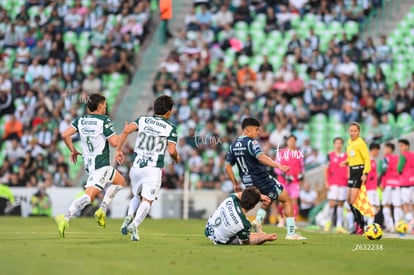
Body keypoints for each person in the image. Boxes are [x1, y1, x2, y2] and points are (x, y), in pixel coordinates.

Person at [55, 93, 125, 238]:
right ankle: (65, 216)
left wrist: (73, 150)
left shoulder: (81, 120)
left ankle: (102, 210)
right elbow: (115, 143)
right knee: (89, 197)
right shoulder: (103, 120)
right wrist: (125, 132)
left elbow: (65, 135)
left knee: (120, 181)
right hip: (100, 164)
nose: (106, 107)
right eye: (105, 105)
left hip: (90, 164)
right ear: (99, 106)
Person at [225, 117, 306, 240]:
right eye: (256, 130)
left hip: (248, 182)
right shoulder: (251, 143)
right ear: (248, 130)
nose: (258, 133)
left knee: (268, 199)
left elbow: (227, 166)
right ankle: (291, 233)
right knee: (286, 199)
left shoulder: (233, 145)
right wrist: (278, 165)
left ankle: (255, 221)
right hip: (261, 178)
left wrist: (235, 183)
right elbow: (261, 157)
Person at [115, 95, 180, 241]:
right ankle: (135, 224)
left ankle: (130, 216)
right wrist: (176, 158)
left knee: (136, 196)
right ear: (169, 112)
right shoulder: (171, 128)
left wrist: (118, 150)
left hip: (136, 166)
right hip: (152, 168)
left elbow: (126, 130)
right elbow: (171, 150)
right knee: (147, 200)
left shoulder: (143, 120)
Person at [205, 187, 277, 245]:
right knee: (260, 235)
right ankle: (262, 235)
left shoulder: (231, 199)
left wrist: (259, 196)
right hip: (219, 240)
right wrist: (265, 237)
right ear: (254, 206)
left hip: (209, 228)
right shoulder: (244, 223)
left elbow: (241, 194)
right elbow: (246, 241)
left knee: (238, 230)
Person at [340, 122, 371, 235]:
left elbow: (366, 159)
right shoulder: (349, 142)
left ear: (359, 132)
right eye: (351, 130)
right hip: (352, 170)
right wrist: (346, 161)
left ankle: (360, 225)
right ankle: (358, 224)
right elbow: (353, 157)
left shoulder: (360, 143)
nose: (353, 132)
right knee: (348, 201)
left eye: (355, 131)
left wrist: (365, 173)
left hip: (359, 171)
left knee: (353, 200)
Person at [275, 135, 305, 222]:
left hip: (294, 181)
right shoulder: (281, 153)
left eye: (294, 141)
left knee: (294, 200)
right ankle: (281, 218)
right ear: (287, 142)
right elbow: (276, 167)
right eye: (290, 140)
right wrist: (284, 175)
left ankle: (293, 220)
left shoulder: (299, 153)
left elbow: (302, 167)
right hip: (283, 180)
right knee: (282, 201)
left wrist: (301, 175)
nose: (292, 142)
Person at [324, 137, 348, 233]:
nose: (338, 145)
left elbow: (348, 169)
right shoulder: (329, 155)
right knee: (332, 203)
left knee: (341, 203)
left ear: (342, 145)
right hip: (333, 182)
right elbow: (325, 168)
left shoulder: (346, 156)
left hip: (343, 182)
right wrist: (326, 181)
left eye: (340, 143)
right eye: (337, 143)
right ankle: (328, 222)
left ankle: (339, 225)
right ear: (334, 144)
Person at [379, 143, 402, 232]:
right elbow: (400, 170)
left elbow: (383, 172)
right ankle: (398, 225)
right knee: (397, 206)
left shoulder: (385, 159)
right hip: (397, 184)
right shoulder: (398, 158)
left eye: (384, 148)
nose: (383, 150)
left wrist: (382, 183)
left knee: (386, 205)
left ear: (389, 149)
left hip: (388, 184)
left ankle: (390, 226)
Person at [397, 139, 414, 225]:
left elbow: (399, 168)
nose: (400, 148)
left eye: (401, 146)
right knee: (413, 204)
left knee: (405, 204)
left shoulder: (403, 155)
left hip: (406, 183)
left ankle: (411, 223)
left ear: (407, 146)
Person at [366, 142, 380, 225]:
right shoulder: (368, 160)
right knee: (372, 207)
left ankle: (367, 225)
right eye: (378, 150)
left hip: (373, 187)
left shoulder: (372, 160)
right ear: (374, 150)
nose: (378, 153)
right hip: (369, 188)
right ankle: (368, 226)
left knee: (376, 208)